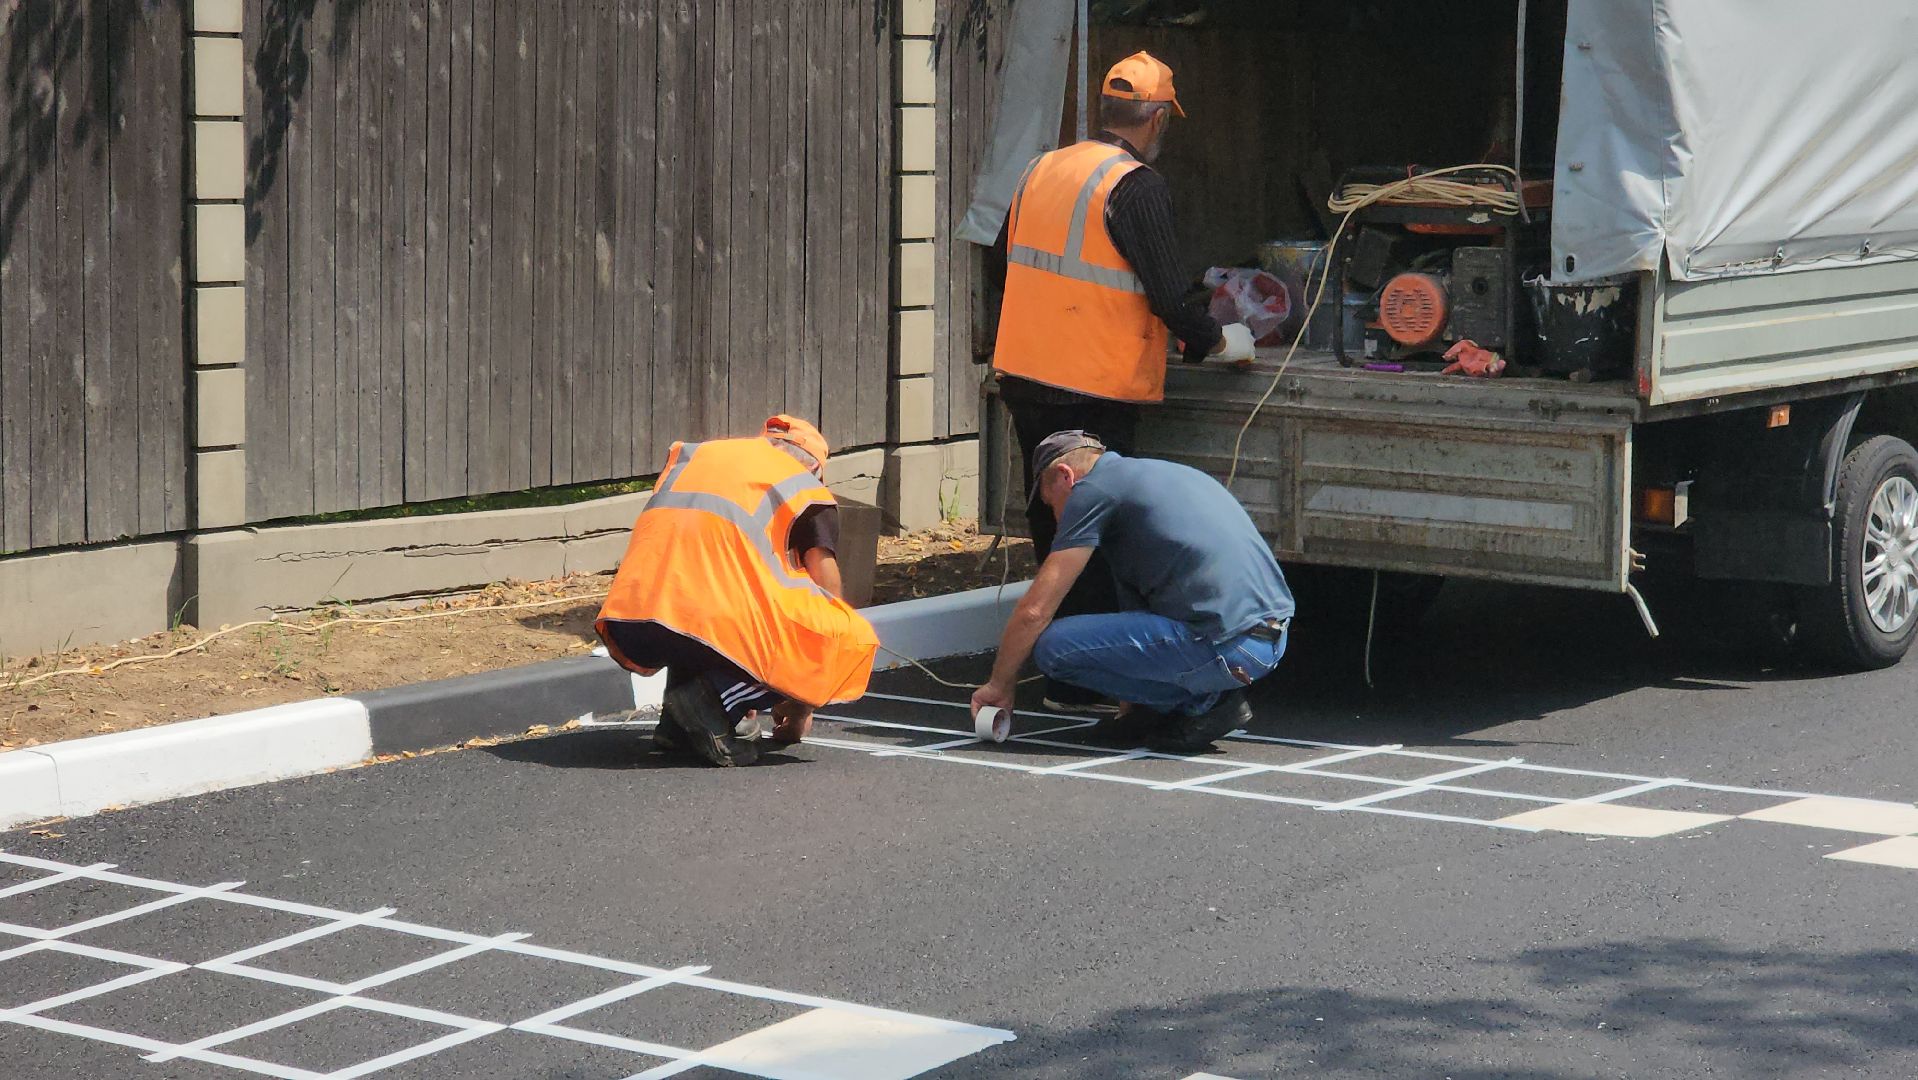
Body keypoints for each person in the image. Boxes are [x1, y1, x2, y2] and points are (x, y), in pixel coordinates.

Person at [990, 50, 1255, 715]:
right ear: (1159, 117)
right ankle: (1087, 676)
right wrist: (1218, 340)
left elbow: (1006, 269)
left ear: (1106, 110)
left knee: (1055, 529)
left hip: (1026, 376)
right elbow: (1168, 294)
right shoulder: (1135, 186)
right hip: (1093, 388)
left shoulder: (1040, 169)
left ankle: (1068, 673)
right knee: (1098, 535)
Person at [969, 431, 1294, 751]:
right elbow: (1136, 611)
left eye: (1050, 503)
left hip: (1228, 645)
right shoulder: (1155, 476)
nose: (1056, 518)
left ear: (1066, 476)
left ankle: (1206, 702)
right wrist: (1133, 707)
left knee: (1054, 648)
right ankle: (1165, 707)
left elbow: (1035, 611)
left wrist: (1000, 684)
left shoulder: (1091, 491)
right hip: (1270, 640)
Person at [596, 416, 879, 767]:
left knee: (706, 609)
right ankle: (715, 698)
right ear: (814, 467)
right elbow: (826, 587)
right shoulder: (801, 487)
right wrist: (803, 698)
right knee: (843, 633)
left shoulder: (706, 458)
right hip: (704, 616)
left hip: (636, 615)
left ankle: (678, 722)